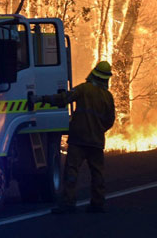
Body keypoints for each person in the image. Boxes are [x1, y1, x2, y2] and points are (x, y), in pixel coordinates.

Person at [36, 60, 115, 213]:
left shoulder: (84, 89)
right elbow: (110, 120)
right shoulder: (108, 97)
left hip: (79, 139)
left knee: (72, 171)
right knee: (97, 173)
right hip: (96, 141)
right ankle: (97, 203)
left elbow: (63, 98)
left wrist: (42, 99)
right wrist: (99, 130)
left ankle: (68, 203)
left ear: (94, 73)